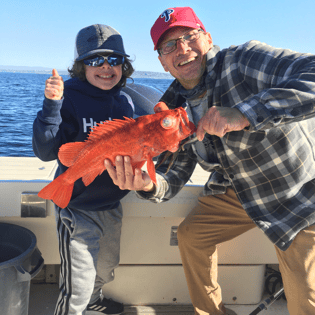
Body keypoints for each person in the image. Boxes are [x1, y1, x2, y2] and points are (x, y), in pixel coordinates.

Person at [104, 6, 315, 315]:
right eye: (169, 45)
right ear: (162, 61)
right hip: (237, 191)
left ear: (208, 38)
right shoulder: (173, 105)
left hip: (297, 191)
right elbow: (174, 174)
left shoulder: (243, 61)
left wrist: (245, 113)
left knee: (305, 300)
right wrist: (147, 183)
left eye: (189, 36)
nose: (183, 49)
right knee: (191, 236)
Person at [33, 24, 135, 315]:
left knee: (105, 268)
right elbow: (45, 151)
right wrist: (52, 105)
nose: (105, 67)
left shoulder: (125, 102)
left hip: (112, 206)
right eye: (95, 60)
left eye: (114, 59)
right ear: (81, 66)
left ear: (123, 66)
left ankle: (94, 300)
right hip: (76, 207)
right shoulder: (70, 97)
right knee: (78, 284)